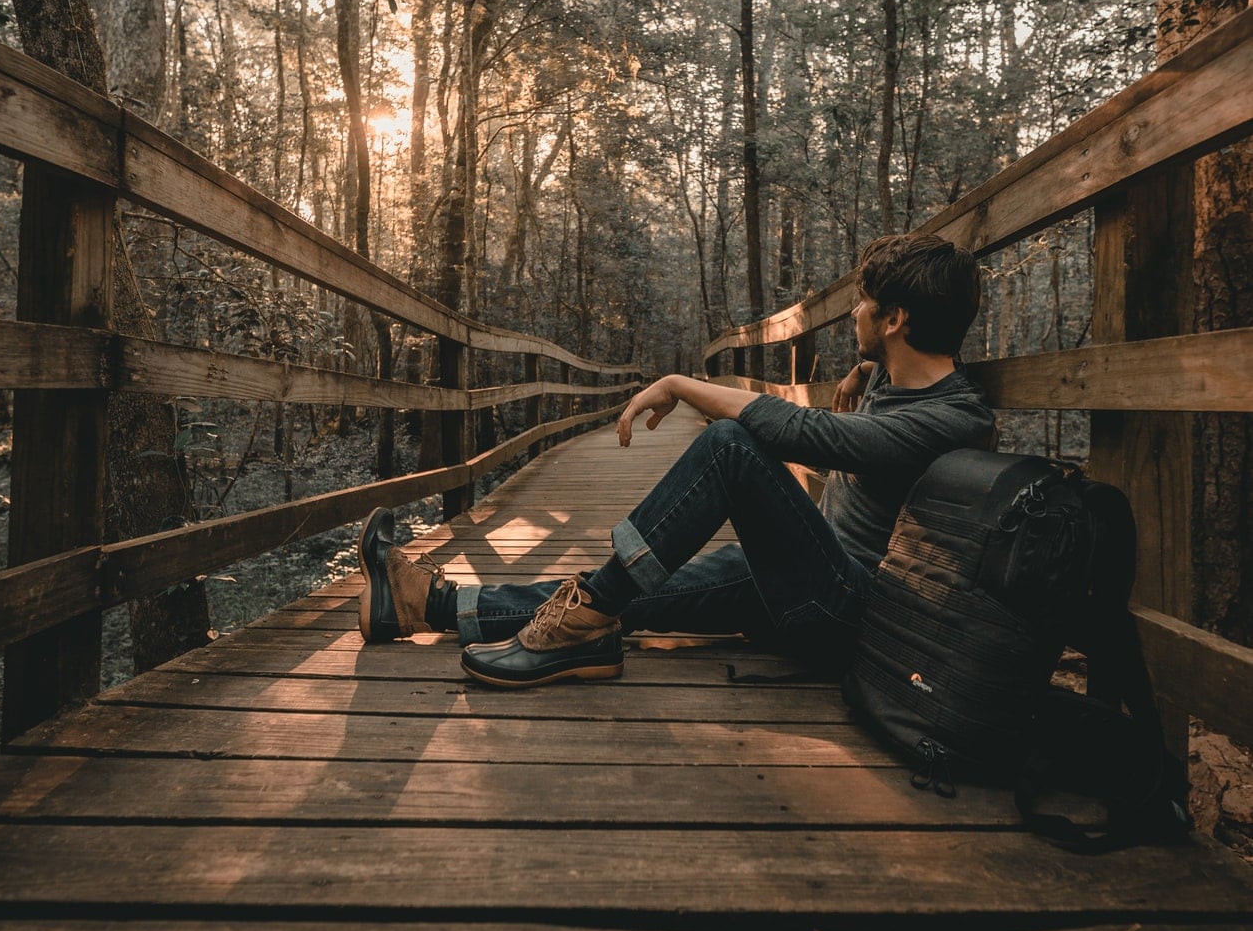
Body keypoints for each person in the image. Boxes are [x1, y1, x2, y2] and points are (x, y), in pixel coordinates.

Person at [356, 232, 996, 686]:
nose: (854, 311)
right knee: (634, 592)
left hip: (848, 617)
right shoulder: (901, 378)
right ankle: (426, 606)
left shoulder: (954, 421)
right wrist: (864, 369)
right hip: (804, 575)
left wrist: (685, 385)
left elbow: (809, 434)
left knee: (729, 446)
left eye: (866, 304)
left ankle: (578, 624)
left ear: (895, 320)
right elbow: (882, 393)